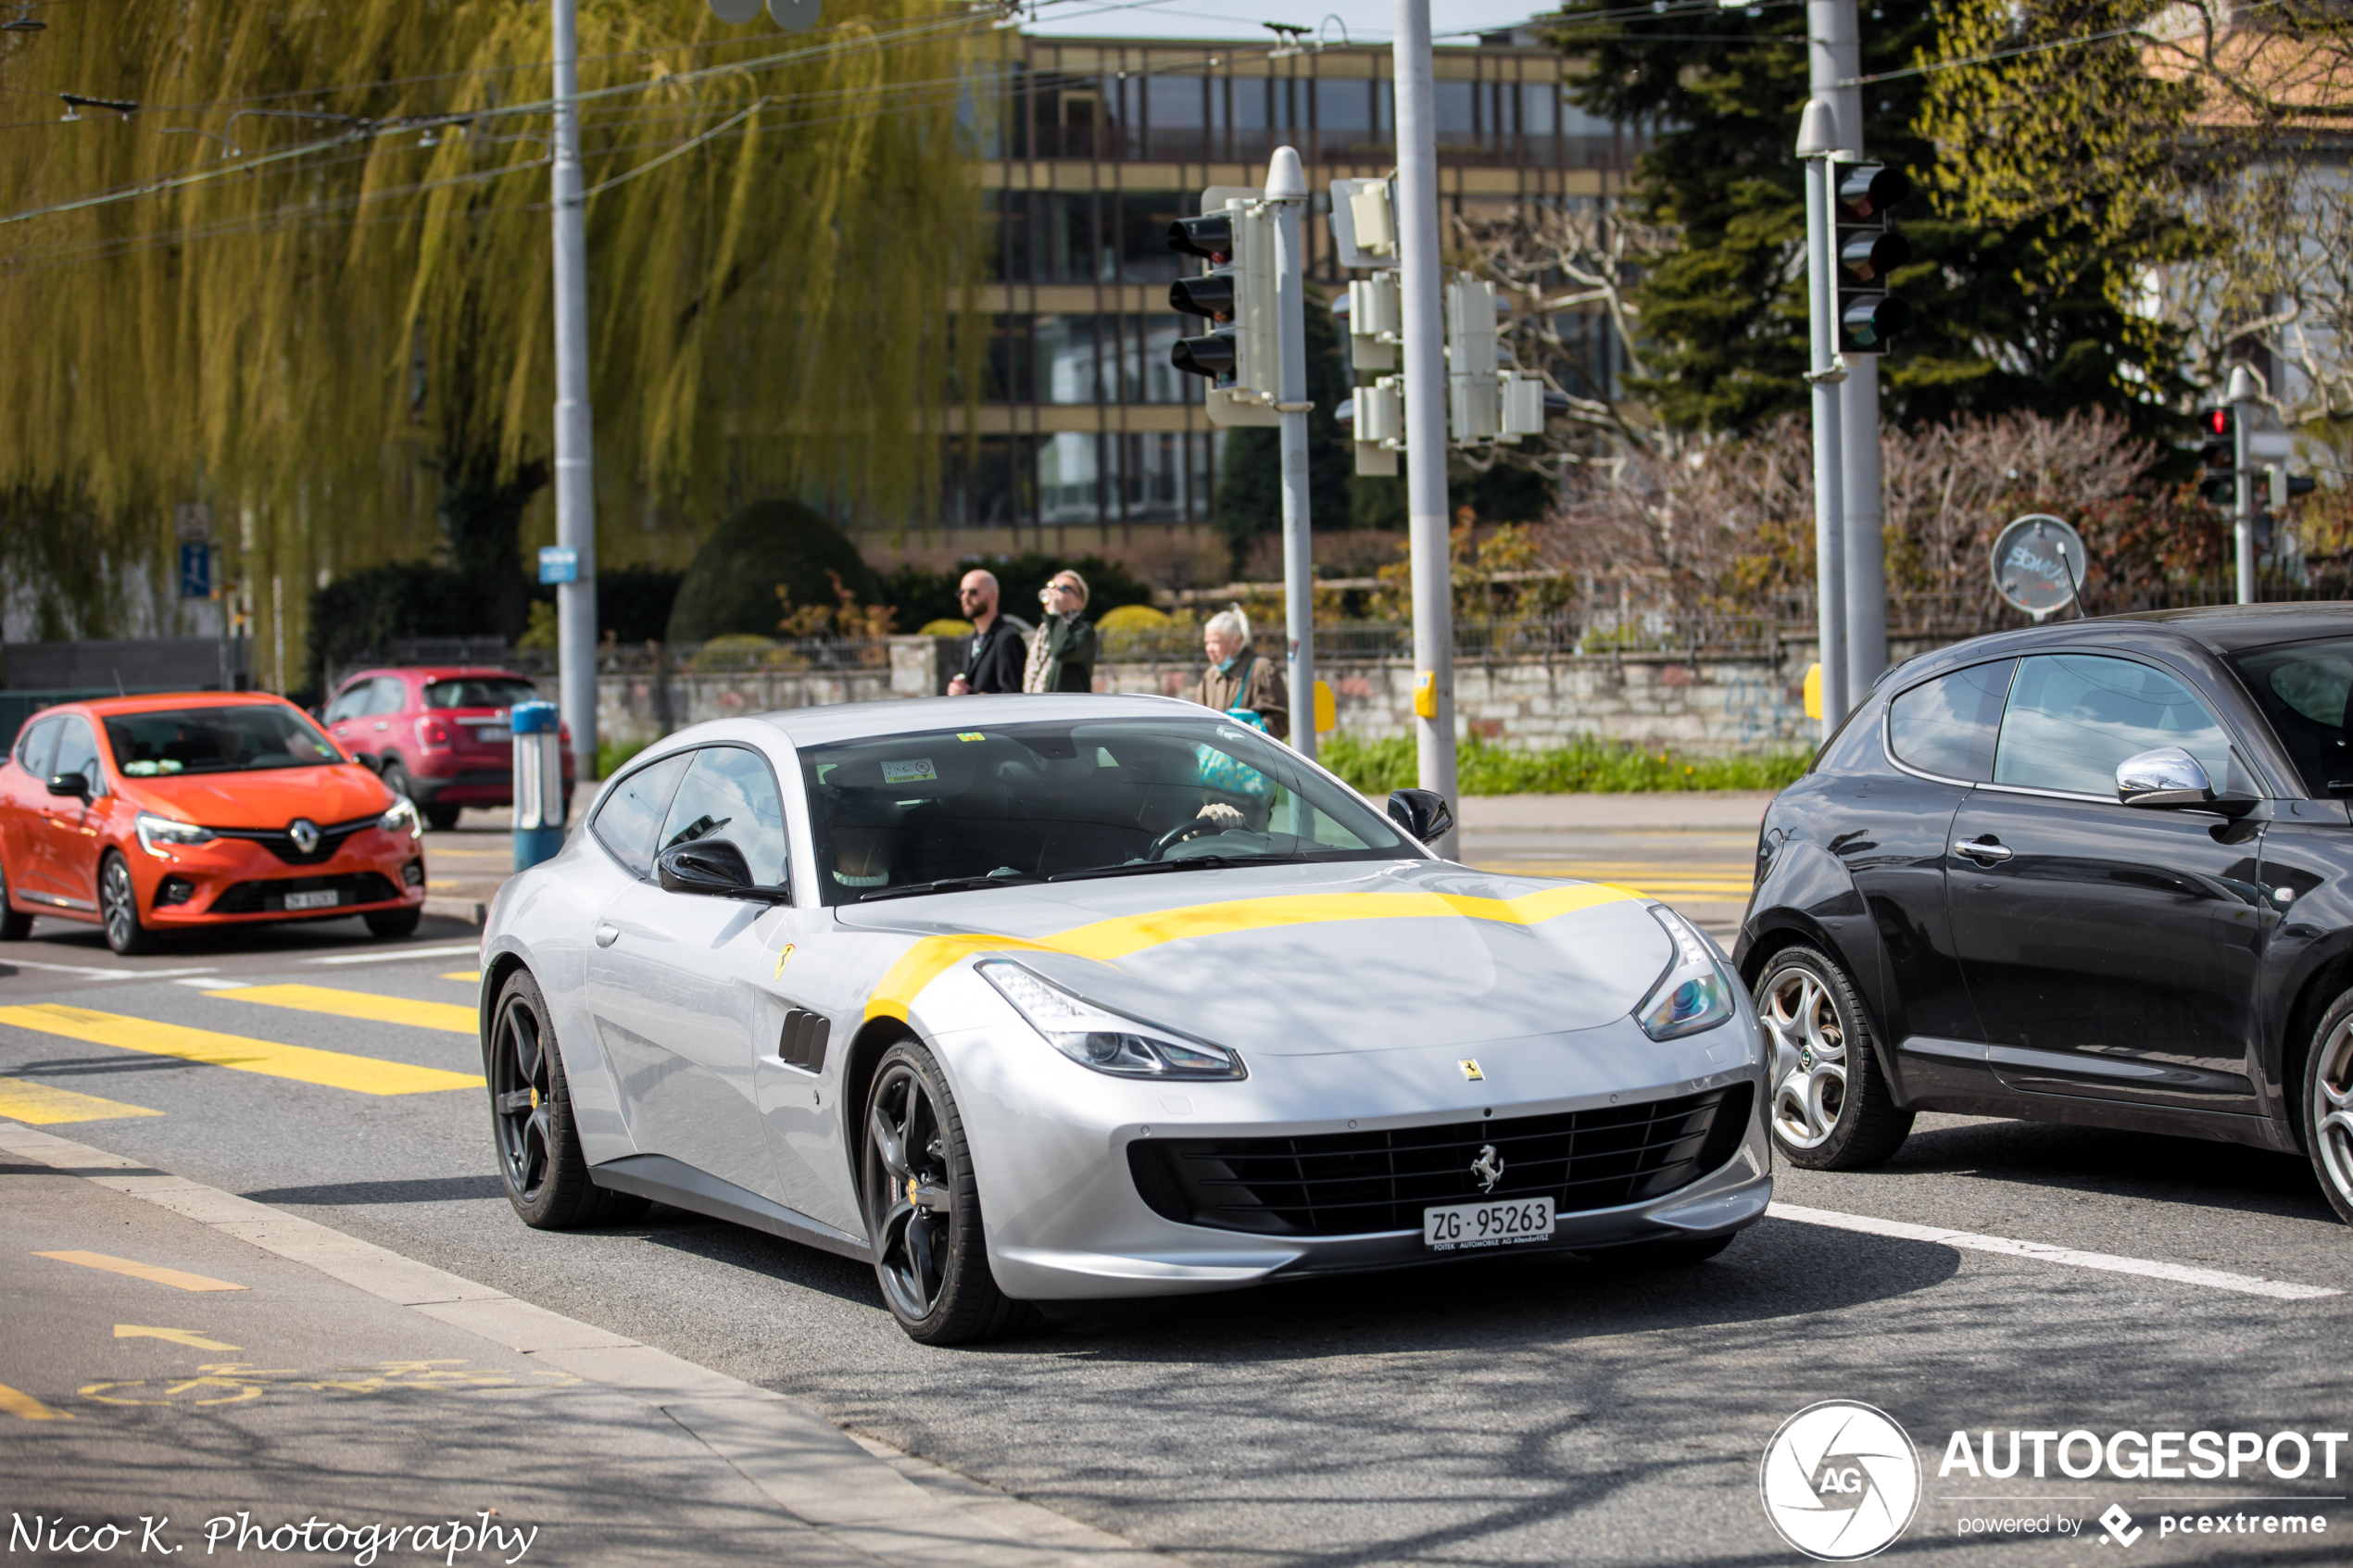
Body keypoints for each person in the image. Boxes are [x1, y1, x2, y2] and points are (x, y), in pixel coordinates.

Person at [1190, 605, 1288, 740]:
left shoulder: (1262, 670)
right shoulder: (1211, 675)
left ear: (1236, 642)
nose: (1209, 649)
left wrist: (1246, 734)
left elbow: (1281, 721)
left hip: (1252, 758)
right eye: (1207, 642)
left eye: (1216, 642)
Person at [945, 570, 1026, 695]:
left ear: (993, 595)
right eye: (961, 592)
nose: (965, 598)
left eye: (973, 592)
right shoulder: (972, 638)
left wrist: (968, 696)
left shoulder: (1008, 637)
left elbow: (1013, 695)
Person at [1021, 570, 1099, 694]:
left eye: (1064, 589)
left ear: (1079, 603)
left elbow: (1062, 651)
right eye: (1051, 587)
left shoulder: (1084, 631)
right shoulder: (1044, 631)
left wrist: (1054, 614)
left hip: (1068, 710)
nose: (1054, 593)